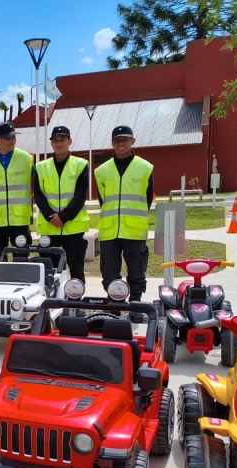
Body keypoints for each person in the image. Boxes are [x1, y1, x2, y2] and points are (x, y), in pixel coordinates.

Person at [95, 125, 154, 323]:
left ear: (132, 141)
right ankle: (115, 305)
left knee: (136, 270)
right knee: (109, 271)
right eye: (117, 140)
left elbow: (147, 199)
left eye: (125, 140)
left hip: (134, 230)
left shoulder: (145, 167)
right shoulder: (101, 171)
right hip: (110, 230)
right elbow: (102, 200)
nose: (121, 143)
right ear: (112, 143)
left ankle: (136, 305)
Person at [33, 125, 89, 281]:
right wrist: (53, 217)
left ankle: (76, 301)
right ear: (51, 143)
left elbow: (80, 195)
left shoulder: (80, 165)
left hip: (73, 227)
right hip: (50, 226)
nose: (59, 143)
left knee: (76, 267)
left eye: (62, 140)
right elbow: (39, 195)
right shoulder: (41, 167)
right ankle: (53, 302)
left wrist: (64, 216)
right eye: (55, 140)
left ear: (70, 141)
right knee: (50, 269)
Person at [0, 122, 33, 261]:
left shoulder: (26, 158)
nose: (12, 140)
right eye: (8, 138)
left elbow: (32, 185)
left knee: (21, 257)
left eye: (14, 137)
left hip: (19, 218)